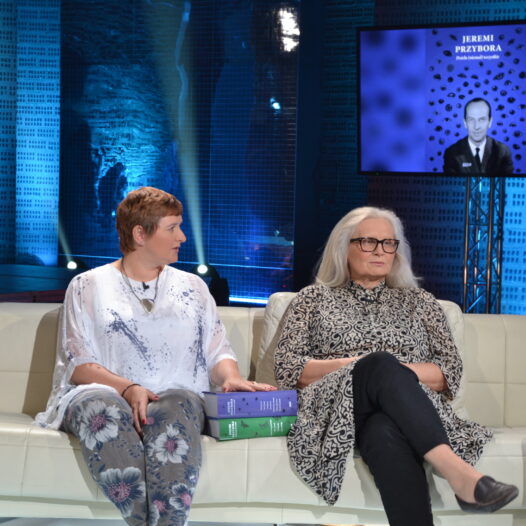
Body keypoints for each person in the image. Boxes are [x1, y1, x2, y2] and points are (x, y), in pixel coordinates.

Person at [36, 186, 274, 526]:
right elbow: (78, 362)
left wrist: (231, 377)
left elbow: (217, 350)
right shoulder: (87, 285)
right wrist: (128, 388)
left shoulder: (194, 287)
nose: (183, 237)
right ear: (140, 234)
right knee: (102, 408)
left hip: (173, 394)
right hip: (102, 392)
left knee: (175, 405)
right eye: (172, 228)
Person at [274, 206, 518, 526]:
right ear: (343, 247)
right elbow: (289, 368)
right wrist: (363, 368)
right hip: (333, 409)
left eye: (389, 243)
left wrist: (390, 377)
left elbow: (448, 372)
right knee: (378, 364)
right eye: (368, 242)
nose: (380, 251)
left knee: (383, 430)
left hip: (406, 412)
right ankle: (458, 473)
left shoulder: (421, 302)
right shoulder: (311, 300)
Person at [443, 97, 514, 176]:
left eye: (482, 119)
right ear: (465, 123)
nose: (476, 126)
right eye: (471, 120)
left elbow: (506, 182)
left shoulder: (502, 152)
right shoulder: (452, 153)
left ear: (490, 122)